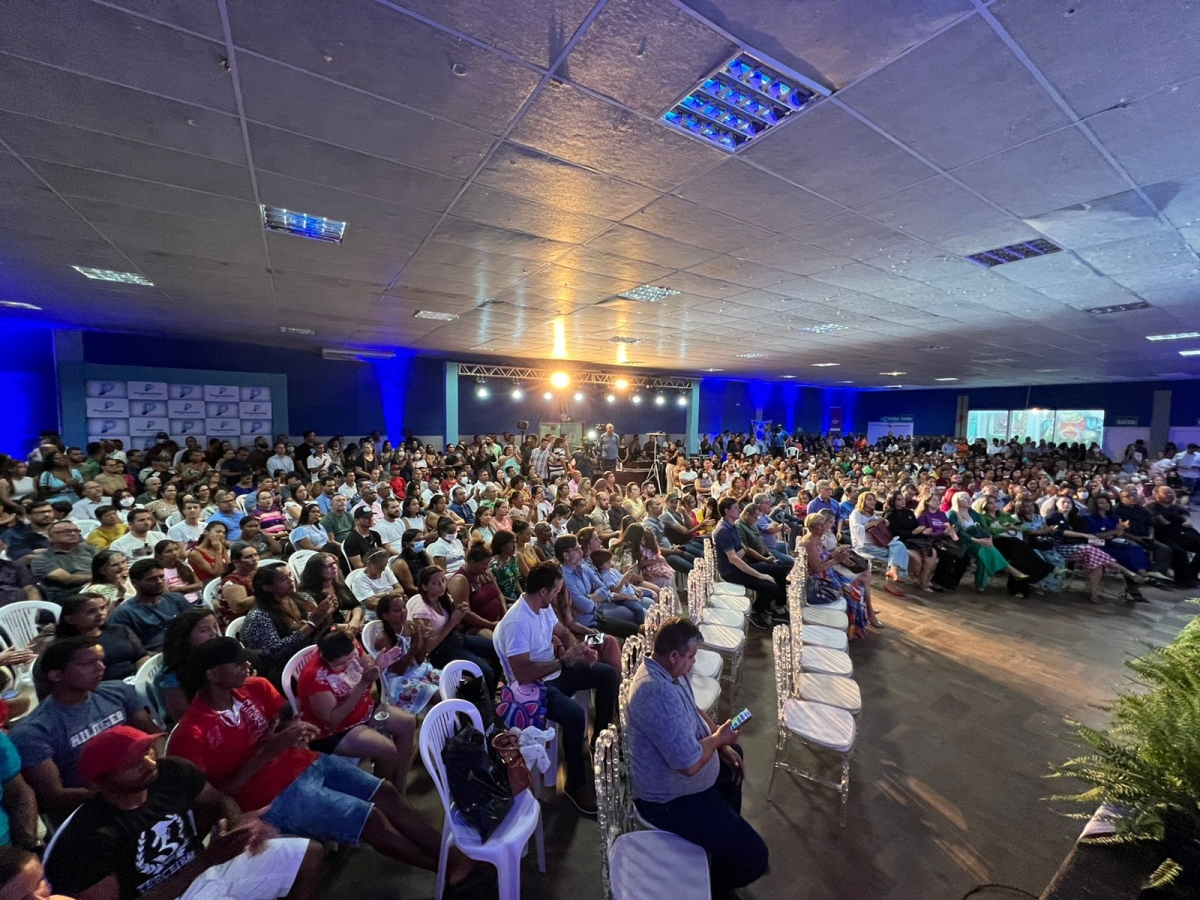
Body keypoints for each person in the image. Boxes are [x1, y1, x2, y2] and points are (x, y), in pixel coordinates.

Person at [171, 638, 485, 891]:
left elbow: (281, 720)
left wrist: (293, 730)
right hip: (271, 796)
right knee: (370, 818)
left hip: (304, 762)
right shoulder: (191, 733)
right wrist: (267, 753)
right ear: (212, 675)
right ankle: (446, 869)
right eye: (236, 663)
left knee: (385, 792)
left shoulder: (253, 687)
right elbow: (218, 797)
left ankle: (453, 857)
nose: (246, 666)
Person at [43, 725, 324, 900]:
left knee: (308, 854)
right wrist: (206, 860)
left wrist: (236, 823)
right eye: (132, 762)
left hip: (205, 865)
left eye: (147, 750)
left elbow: (220, 800)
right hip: (173, 890)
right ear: (99, 783)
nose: (149, 761)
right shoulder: (87, 841)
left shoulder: (171, 772)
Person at [626, 617, 768, 895]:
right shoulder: (655, 692)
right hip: (668, 800)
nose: (694, 662)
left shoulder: (669, 672)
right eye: (691, 657)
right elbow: (689, 766)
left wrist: (721, 743)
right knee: (755, 858)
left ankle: (721, 842)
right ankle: (715, 885)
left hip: (685, 785)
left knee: (734, 756)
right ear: (674, 654)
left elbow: (694, 710)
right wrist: (717, 740)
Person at [492, 562, 620, 816]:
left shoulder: (543, 607)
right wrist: (563, 659)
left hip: (556, 670)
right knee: (573, 715)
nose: (558, 596)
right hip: (534, 687)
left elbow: (561, 630)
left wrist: (578, 649)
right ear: (543, 591)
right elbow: (523, 673)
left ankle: (599, 741)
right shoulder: (517, 622)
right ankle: (575, 784)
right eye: (556, 591)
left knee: (607, 675)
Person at [11, 637, 161, 820]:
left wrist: (155, 771)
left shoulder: (118, 692)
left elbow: (153, 735)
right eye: (88, 663)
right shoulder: (34, 731)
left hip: (142, 782)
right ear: (56, 675)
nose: (101, 667)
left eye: (101, 660)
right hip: (92, 808)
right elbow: (55, 795)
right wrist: (119, 793)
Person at [296, 629, 415, 791]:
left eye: (350, 659)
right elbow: (332, 720)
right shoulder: (314, 676)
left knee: (407, 722)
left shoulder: (351, 646)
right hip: (334, 731)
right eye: (341, 664)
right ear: (324, 657)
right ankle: (385, 794)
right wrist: (363, 683)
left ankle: (399, 785)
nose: (347, 666)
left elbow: (369, 669)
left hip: (363, 709)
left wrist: (378, 665)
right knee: (386, 749)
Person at [406, 567, 498, 696]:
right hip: (440, 651)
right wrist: (452, 622)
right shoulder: (421, 611)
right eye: (435, 583)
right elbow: (427, 648)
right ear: (425, 587)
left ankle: (488, 692)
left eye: (443, 580)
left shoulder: (442, 598)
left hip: (455, 639)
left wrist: (460, 611)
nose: (442, 585)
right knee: (486, 672)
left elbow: (456, 623)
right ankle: (476, 701)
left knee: (499, 649)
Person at [239, 565, 338, 686]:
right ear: (267, 587)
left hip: (313, 654)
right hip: (285, 668)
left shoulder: (303, 597)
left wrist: (325, 619)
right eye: (283, 579)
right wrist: (311, 625)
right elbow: (276, 652)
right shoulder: (259, 616)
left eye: (290, 575)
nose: (291, 580)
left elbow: (316, 635)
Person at [800, 513, 879, 638]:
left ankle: (856, 625)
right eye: (820, 525)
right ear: (811, 527)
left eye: (824, 524)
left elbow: (824, 558)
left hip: (827, 572)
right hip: (819, 580)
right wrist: (836, 559)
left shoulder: (817, 538)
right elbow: (816, 568)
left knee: (859, 588)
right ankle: (851, 631)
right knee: (854, 593)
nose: (824, 527)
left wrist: (836, 555)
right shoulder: (810, 542)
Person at [712, 497, 785, 630]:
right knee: (771, 586)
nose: (739, 509)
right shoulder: (723, 530)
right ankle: (755, 611)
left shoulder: (732, 524)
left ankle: (779, 607)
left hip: (740, 564)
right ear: (727, 511)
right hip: (731, 572)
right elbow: (734, 559)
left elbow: (742, 548)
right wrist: (760, 575)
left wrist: (763, 559)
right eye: (735, 508)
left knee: (779, 569)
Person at [554, 534, 641, 638]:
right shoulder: (564, 578)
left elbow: (605, 587)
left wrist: (588, 597)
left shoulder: (584, 567)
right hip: (584, 626)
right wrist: (596, 598)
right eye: (577, 550)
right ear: (566, 555)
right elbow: (587, 607)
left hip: (596, 617)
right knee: (621, 642)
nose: (581, 552)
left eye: (580, 548)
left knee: (637, 631)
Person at [54, 593, 149, 683]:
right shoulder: (66, 646)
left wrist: (141, 679)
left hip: (136, 681)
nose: (100, 613)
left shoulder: (120, 630)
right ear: (70, 619)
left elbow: (141, 656)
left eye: (103, 608)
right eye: (91, 611)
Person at [106, 560, 192, 652]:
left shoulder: (176, 599)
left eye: (161, 576)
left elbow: (195, 625)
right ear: (135, 583)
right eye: (151, 579)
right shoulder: (124, 613)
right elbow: (123, 649)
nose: (159, 581)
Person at [158, 609, 220, 724]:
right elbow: (183, 719)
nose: (214, 633)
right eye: (204, 630)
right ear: (186, 637)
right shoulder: (173, 676)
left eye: (214, 627)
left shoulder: (215, 655)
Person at [31, 520, 98, 605]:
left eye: (76, 531)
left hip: (97, 586)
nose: (73, 534)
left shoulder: (88, 549)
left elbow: (107, 563)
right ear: (51, 536)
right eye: (66, 532)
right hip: (70, 596)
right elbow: (68, 579)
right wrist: (101, 578)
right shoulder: (42, 559)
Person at [296, 553, 363, 635]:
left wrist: (355, 620)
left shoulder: (338, 584)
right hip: (329, 633)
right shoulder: (308, 594)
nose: (334, 567)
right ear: (317, 571)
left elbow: (356, 605)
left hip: (350, 626)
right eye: (329, 566)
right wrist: (350, 626)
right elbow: (320, 625)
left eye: (334, 563)